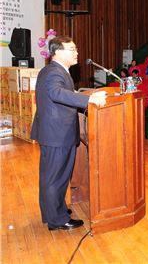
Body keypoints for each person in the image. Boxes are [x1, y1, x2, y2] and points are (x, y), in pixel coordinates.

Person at [31, 36, 107, 231]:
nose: (77, 52)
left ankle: (54, 211)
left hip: (56, 132)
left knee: (55, 177)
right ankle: (56, 220)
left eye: (76, 49)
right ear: (57, 52)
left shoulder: (55, 71)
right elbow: (57, 94)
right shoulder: (53, 73)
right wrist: (88, 100)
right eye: (71, 49)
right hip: (56, 134)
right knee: (55, 177)